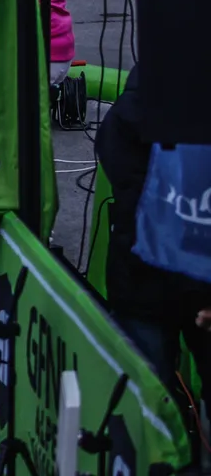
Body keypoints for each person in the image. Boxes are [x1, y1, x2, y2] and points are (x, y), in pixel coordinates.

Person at [95, 66, 211, 451]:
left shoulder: (147, 90)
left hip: (150, 278)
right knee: (148, 401)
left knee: (148, 403)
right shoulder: (146, 101)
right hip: (151, 278)